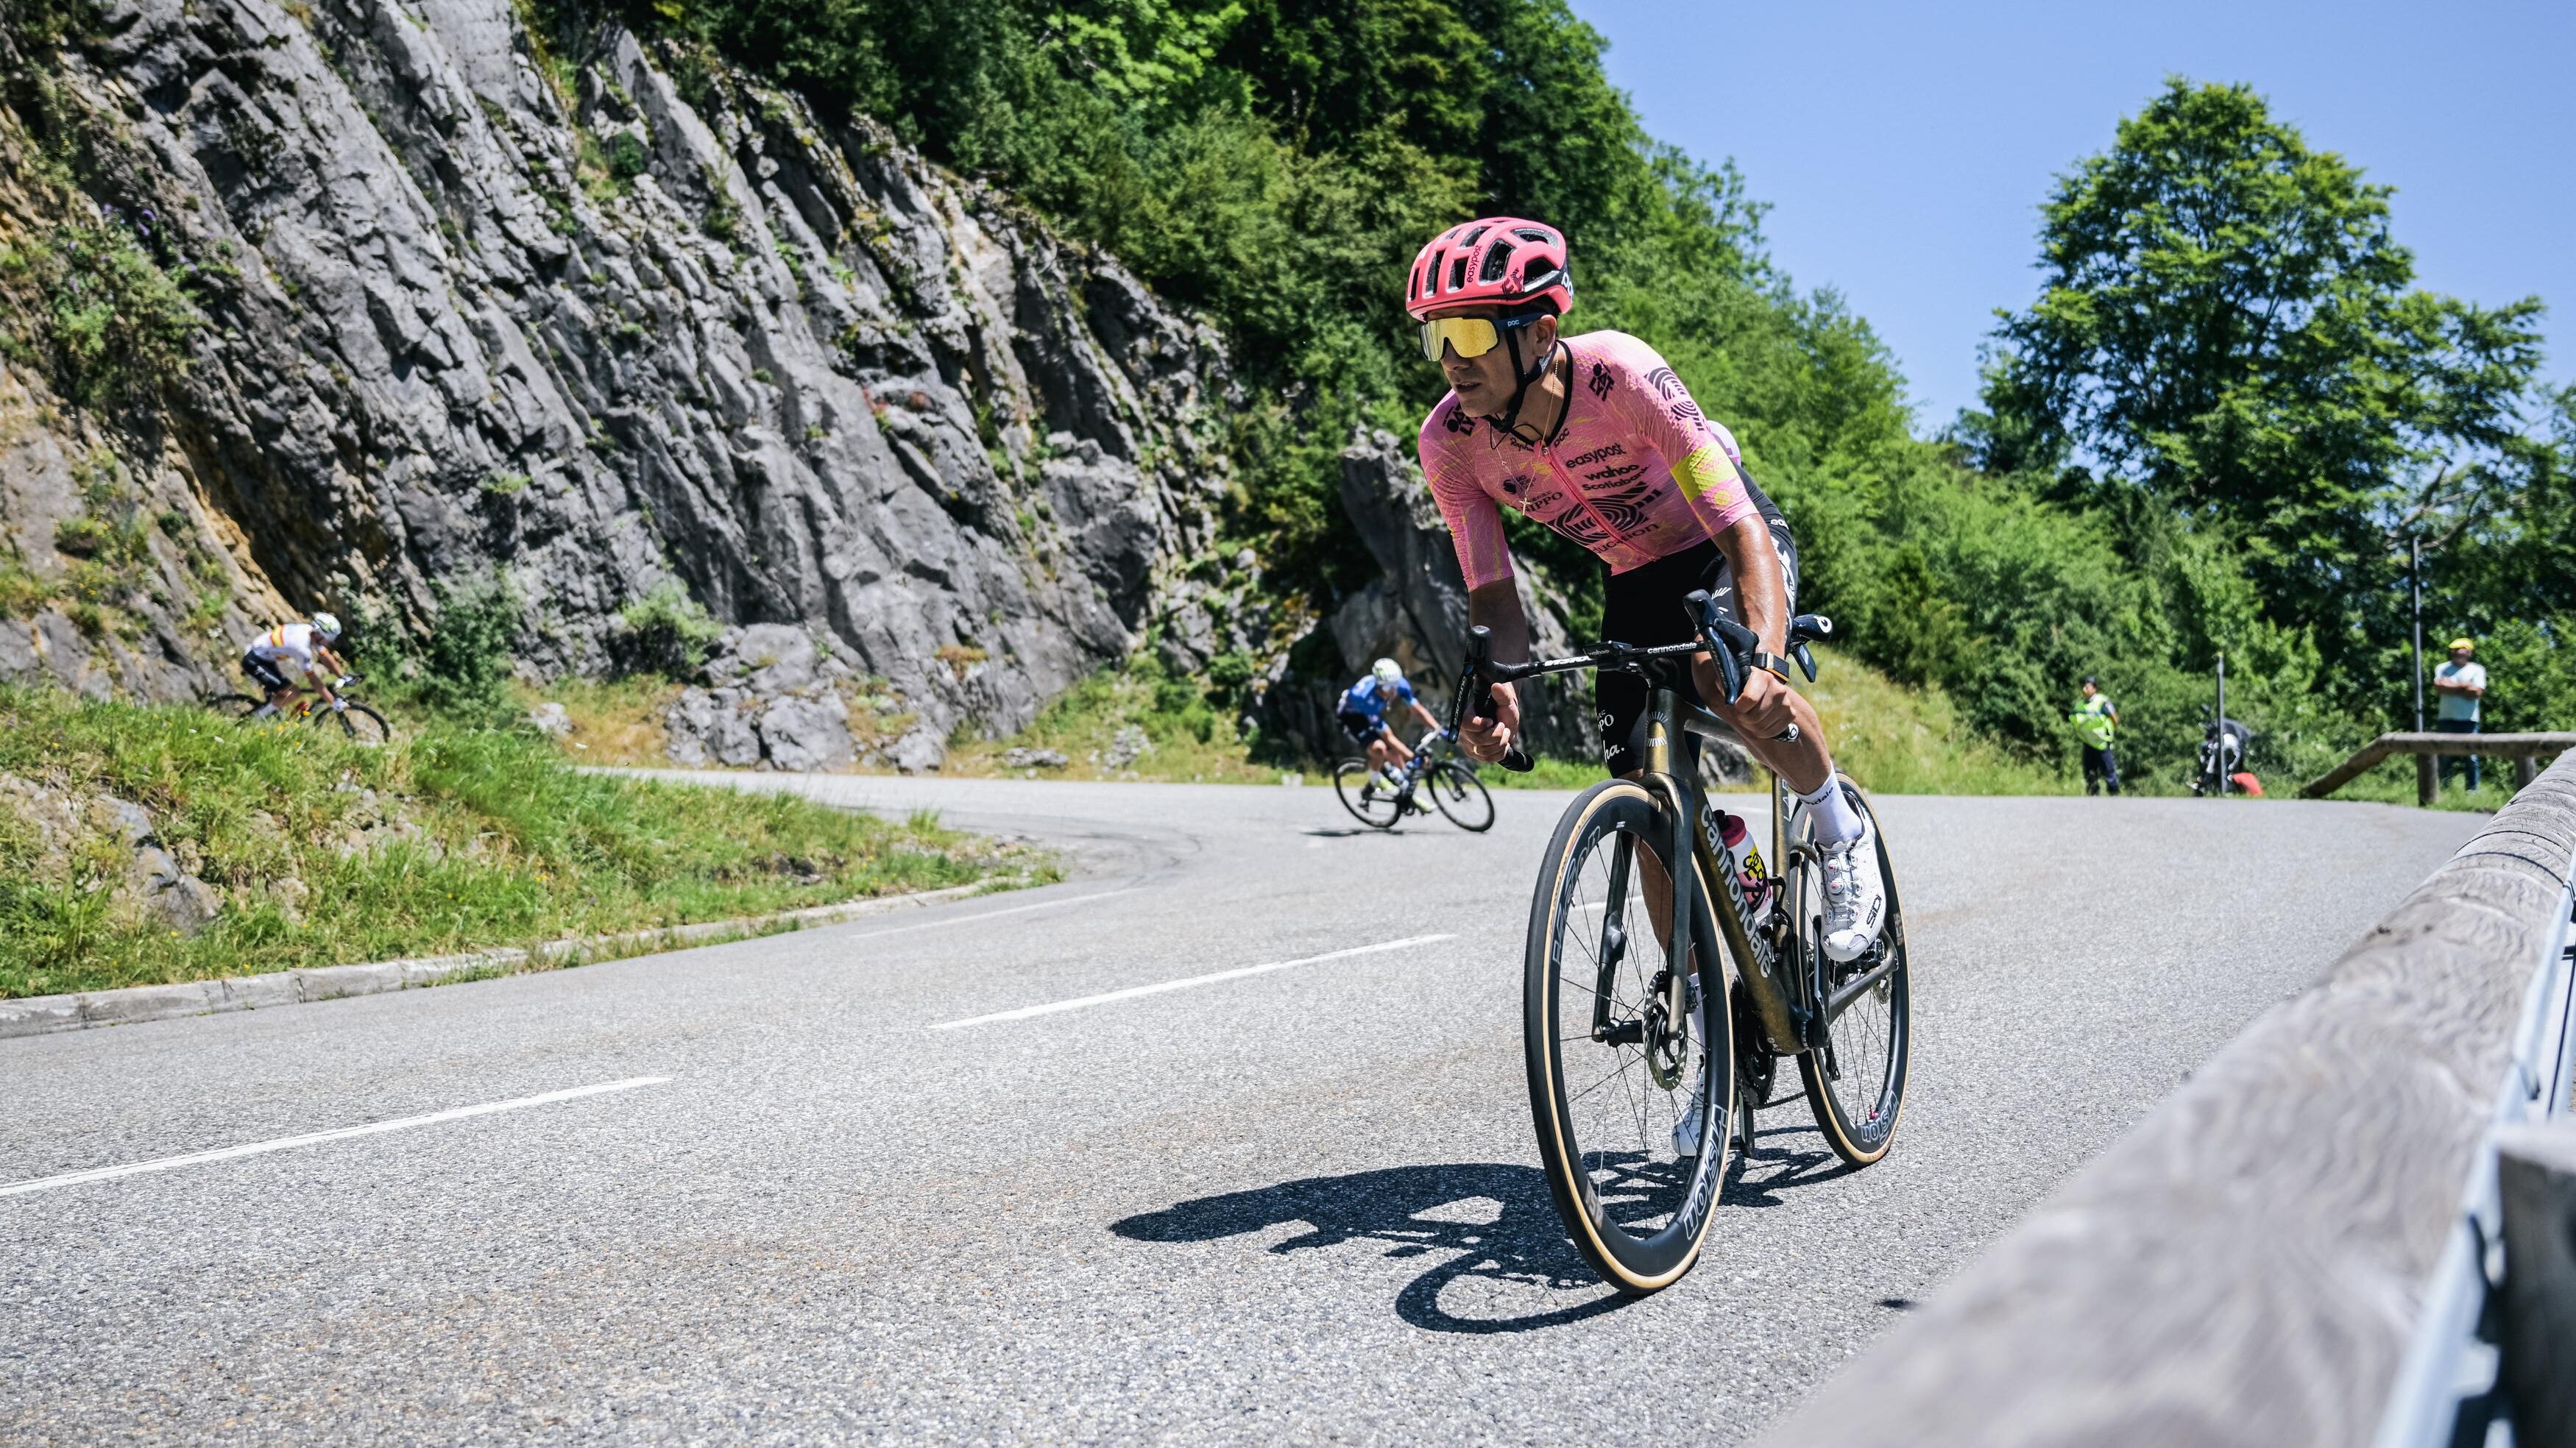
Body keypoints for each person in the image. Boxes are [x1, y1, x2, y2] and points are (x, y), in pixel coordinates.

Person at [1406, 216, 1886, 973]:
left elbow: (1739, 531)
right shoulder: (1450, 444)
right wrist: (1496, 691)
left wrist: (1759, 654)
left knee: (1722, 676)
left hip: (1721, 544)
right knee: (1642, 799)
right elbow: (1493, 593)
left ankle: (1836, 828)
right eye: (1435, 338)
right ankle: (1699, 1024)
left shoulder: (1619, 377)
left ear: (1538, 334)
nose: (1450, 363)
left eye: (1468, 335)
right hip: (1632, 577)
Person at [1337, 658, 1446, 801]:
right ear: (1378, 685)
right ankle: (1376, 778)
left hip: (1372, 712)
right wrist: (1413, 758)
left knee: (1396, 754)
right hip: (1352, 716)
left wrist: (1439, 729)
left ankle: (1403, 787)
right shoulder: (1364, 697)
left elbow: (1417, 710)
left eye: (1395, 686)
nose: (1393, 692)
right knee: (1380, 748)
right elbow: (1388, 736)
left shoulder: (1399, 684)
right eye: (1389, 688)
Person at [240, 613, 349, 719]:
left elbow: (325, 656)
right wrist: (333, 702)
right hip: (255, 660)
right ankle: (254, 719)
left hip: (263, 654)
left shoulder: (308, 630)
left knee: (282, 692)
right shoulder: (302, 648)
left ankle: (269, 709)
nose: (329, 643)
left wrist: (343, 676)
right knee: (293, 693)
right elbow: (314, 681)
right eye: (329, 639)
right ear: (319, 635)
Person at [2431, 636, 2487, 792]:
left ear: (2468, 652)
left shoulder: (2477, 669)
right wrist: (2465, 687)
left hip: (2469, 720)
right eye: (2454, 650)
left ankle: (2472, 790)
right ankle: (2444, 789)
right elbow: (2439, 688)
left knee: (2471, 757)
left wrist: (2452, 686)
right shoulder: (2442, 668)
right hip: (2446, 718)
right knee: (2445, 755)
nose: (2456, 653)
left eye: (2460, 650)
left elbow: (2476, 692)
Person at [2070, 675, 2120, 795]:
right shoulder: (2080, 705)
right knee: (2089, 773)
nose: (2084, 689)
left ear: (2095, 688)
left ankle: (2114, 795)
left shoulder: (2102, 701)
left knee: (2108, 771)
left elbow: (2115, 718)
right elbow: (2074, 720)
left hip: (2102, 742)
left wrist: (2110, 732)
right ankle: (2093, 797)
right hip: (2088, 742)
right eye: (2083, 686)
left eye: (2087, 686)